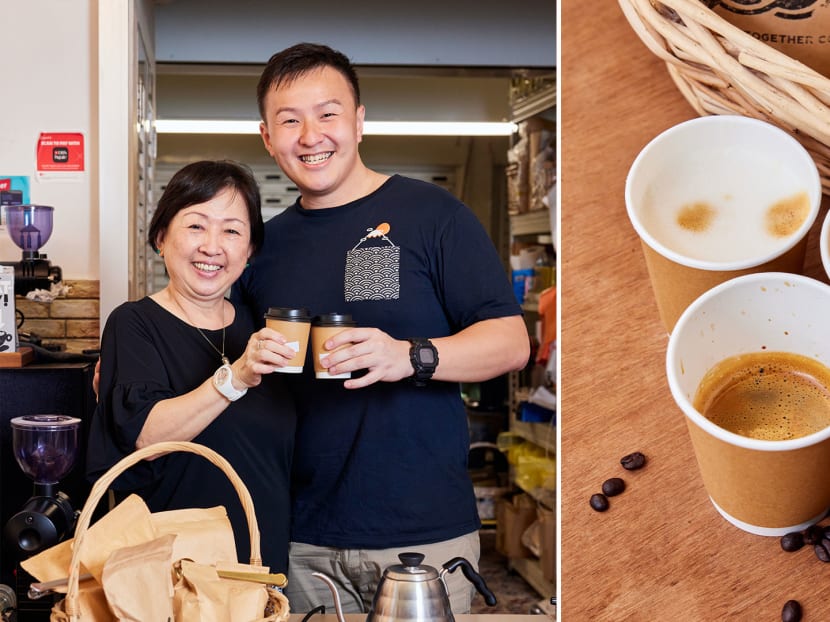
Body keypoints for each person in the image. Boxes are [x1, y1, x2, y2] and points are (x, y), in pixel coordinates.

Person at [231, 43, 530, 613]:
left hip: (423, 534)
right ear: (268, 138)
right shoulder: (264, 246)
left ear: (360, 121)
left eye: (328, 114)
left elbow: (512, 342)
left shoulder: (433, 215)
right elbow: (234, 356)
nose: (311, 135)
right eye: (289, 120)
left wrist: (408, 356)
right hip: (300, 539)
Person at [87, 160, 299, 573]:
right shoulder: (133, 324)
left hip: (262, 565)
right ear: (161, 237)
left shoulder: (260, 327)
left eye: (232, 230)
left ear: (250, 249)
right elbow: (148, 436)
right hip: (171, 575)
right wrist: (235, 377)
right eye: (196, 226)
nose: (212, 246)